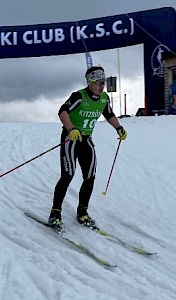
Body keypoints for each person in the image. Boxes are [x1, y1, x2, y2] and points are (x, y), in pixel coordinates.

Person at [48, 66, 127, 228]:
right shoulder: (79, 96)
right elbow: (62, 111)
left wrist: (119, 128)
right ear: (90, 82)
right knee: (68, 175)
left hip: (86, 140)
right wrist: (71, 129)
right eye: (99, 82)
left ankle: (82, 212)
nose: (102, 86)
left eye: (103, 82)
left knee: (90, 176)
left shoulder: (104, 98)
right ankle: (55, 212)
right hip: (71, 139)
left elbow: (109, 114)